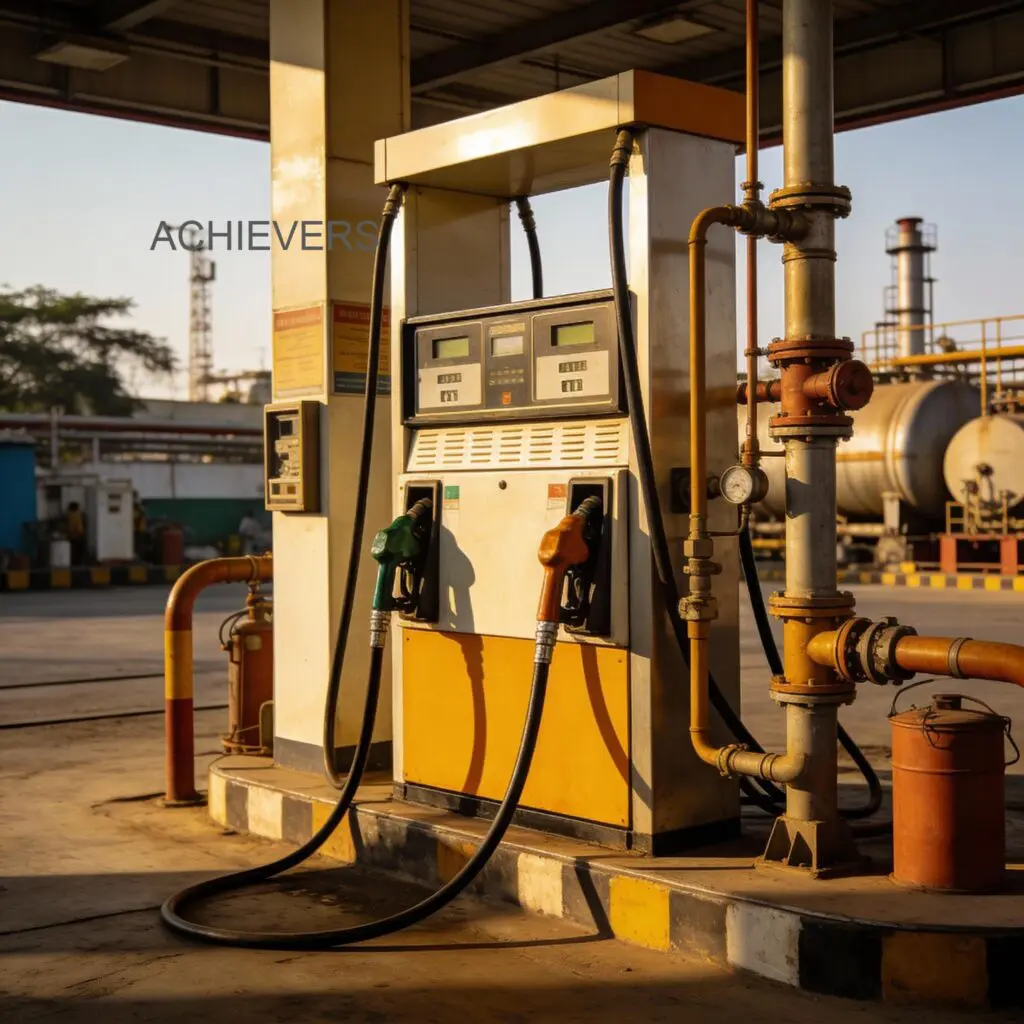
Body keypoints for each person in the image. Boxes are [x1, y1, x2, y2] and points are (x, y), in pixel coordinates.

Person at [65, 501, 86, 566]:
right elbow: (79, 528)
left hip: (74, 537)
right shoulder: (77, 515)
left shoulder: (71, 515)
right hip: (78, 536)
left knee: (74, 553)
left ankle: (75, 565)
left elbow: (70, 527)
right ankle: (78, 565)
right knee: (79, 554)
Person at [133, 493, 149, 562]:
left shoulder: (138, 508)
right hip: (138, 530)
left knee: (138, 545)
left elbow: (135, 517)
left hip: (138, 530)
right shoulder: (138, 508)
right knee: (138, 545)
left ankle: (139, 559)